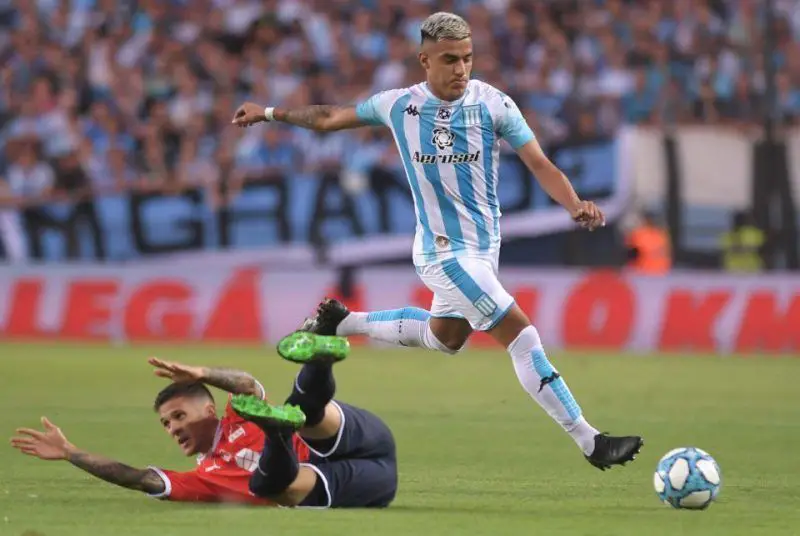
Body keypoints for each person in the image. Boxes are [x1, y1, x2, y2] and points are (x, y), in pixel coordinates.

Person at [231, 12, 642, 470]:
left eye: (467, 58)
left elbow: (539, 162)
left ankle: (340, 322)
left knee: (444, 338)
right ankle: (592, 442)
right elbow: (329, 117)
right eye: (449, 60)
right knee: (521, 336)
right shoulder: (399, 105)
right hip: (443, 254)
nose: (461, 69)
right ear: (424, 60)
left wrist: (573, 203)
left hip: (484, 251)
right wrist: (270, 113)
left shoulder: (494, 104)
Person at [9, 333, 398, 508]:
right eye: (165, 424)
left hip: (356, 439)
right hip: (361, 482)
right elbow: (137, 476)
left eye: (178, 416)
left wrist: (203, 373)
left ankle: (321, 352)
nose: (173, 428)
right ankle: (281, 433)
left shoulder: (237, 410)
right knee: (272, 483)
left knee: (305, 418)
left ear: (209, 410)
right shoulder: (202, 476)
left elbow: (244, 383)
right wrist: (71, 453)